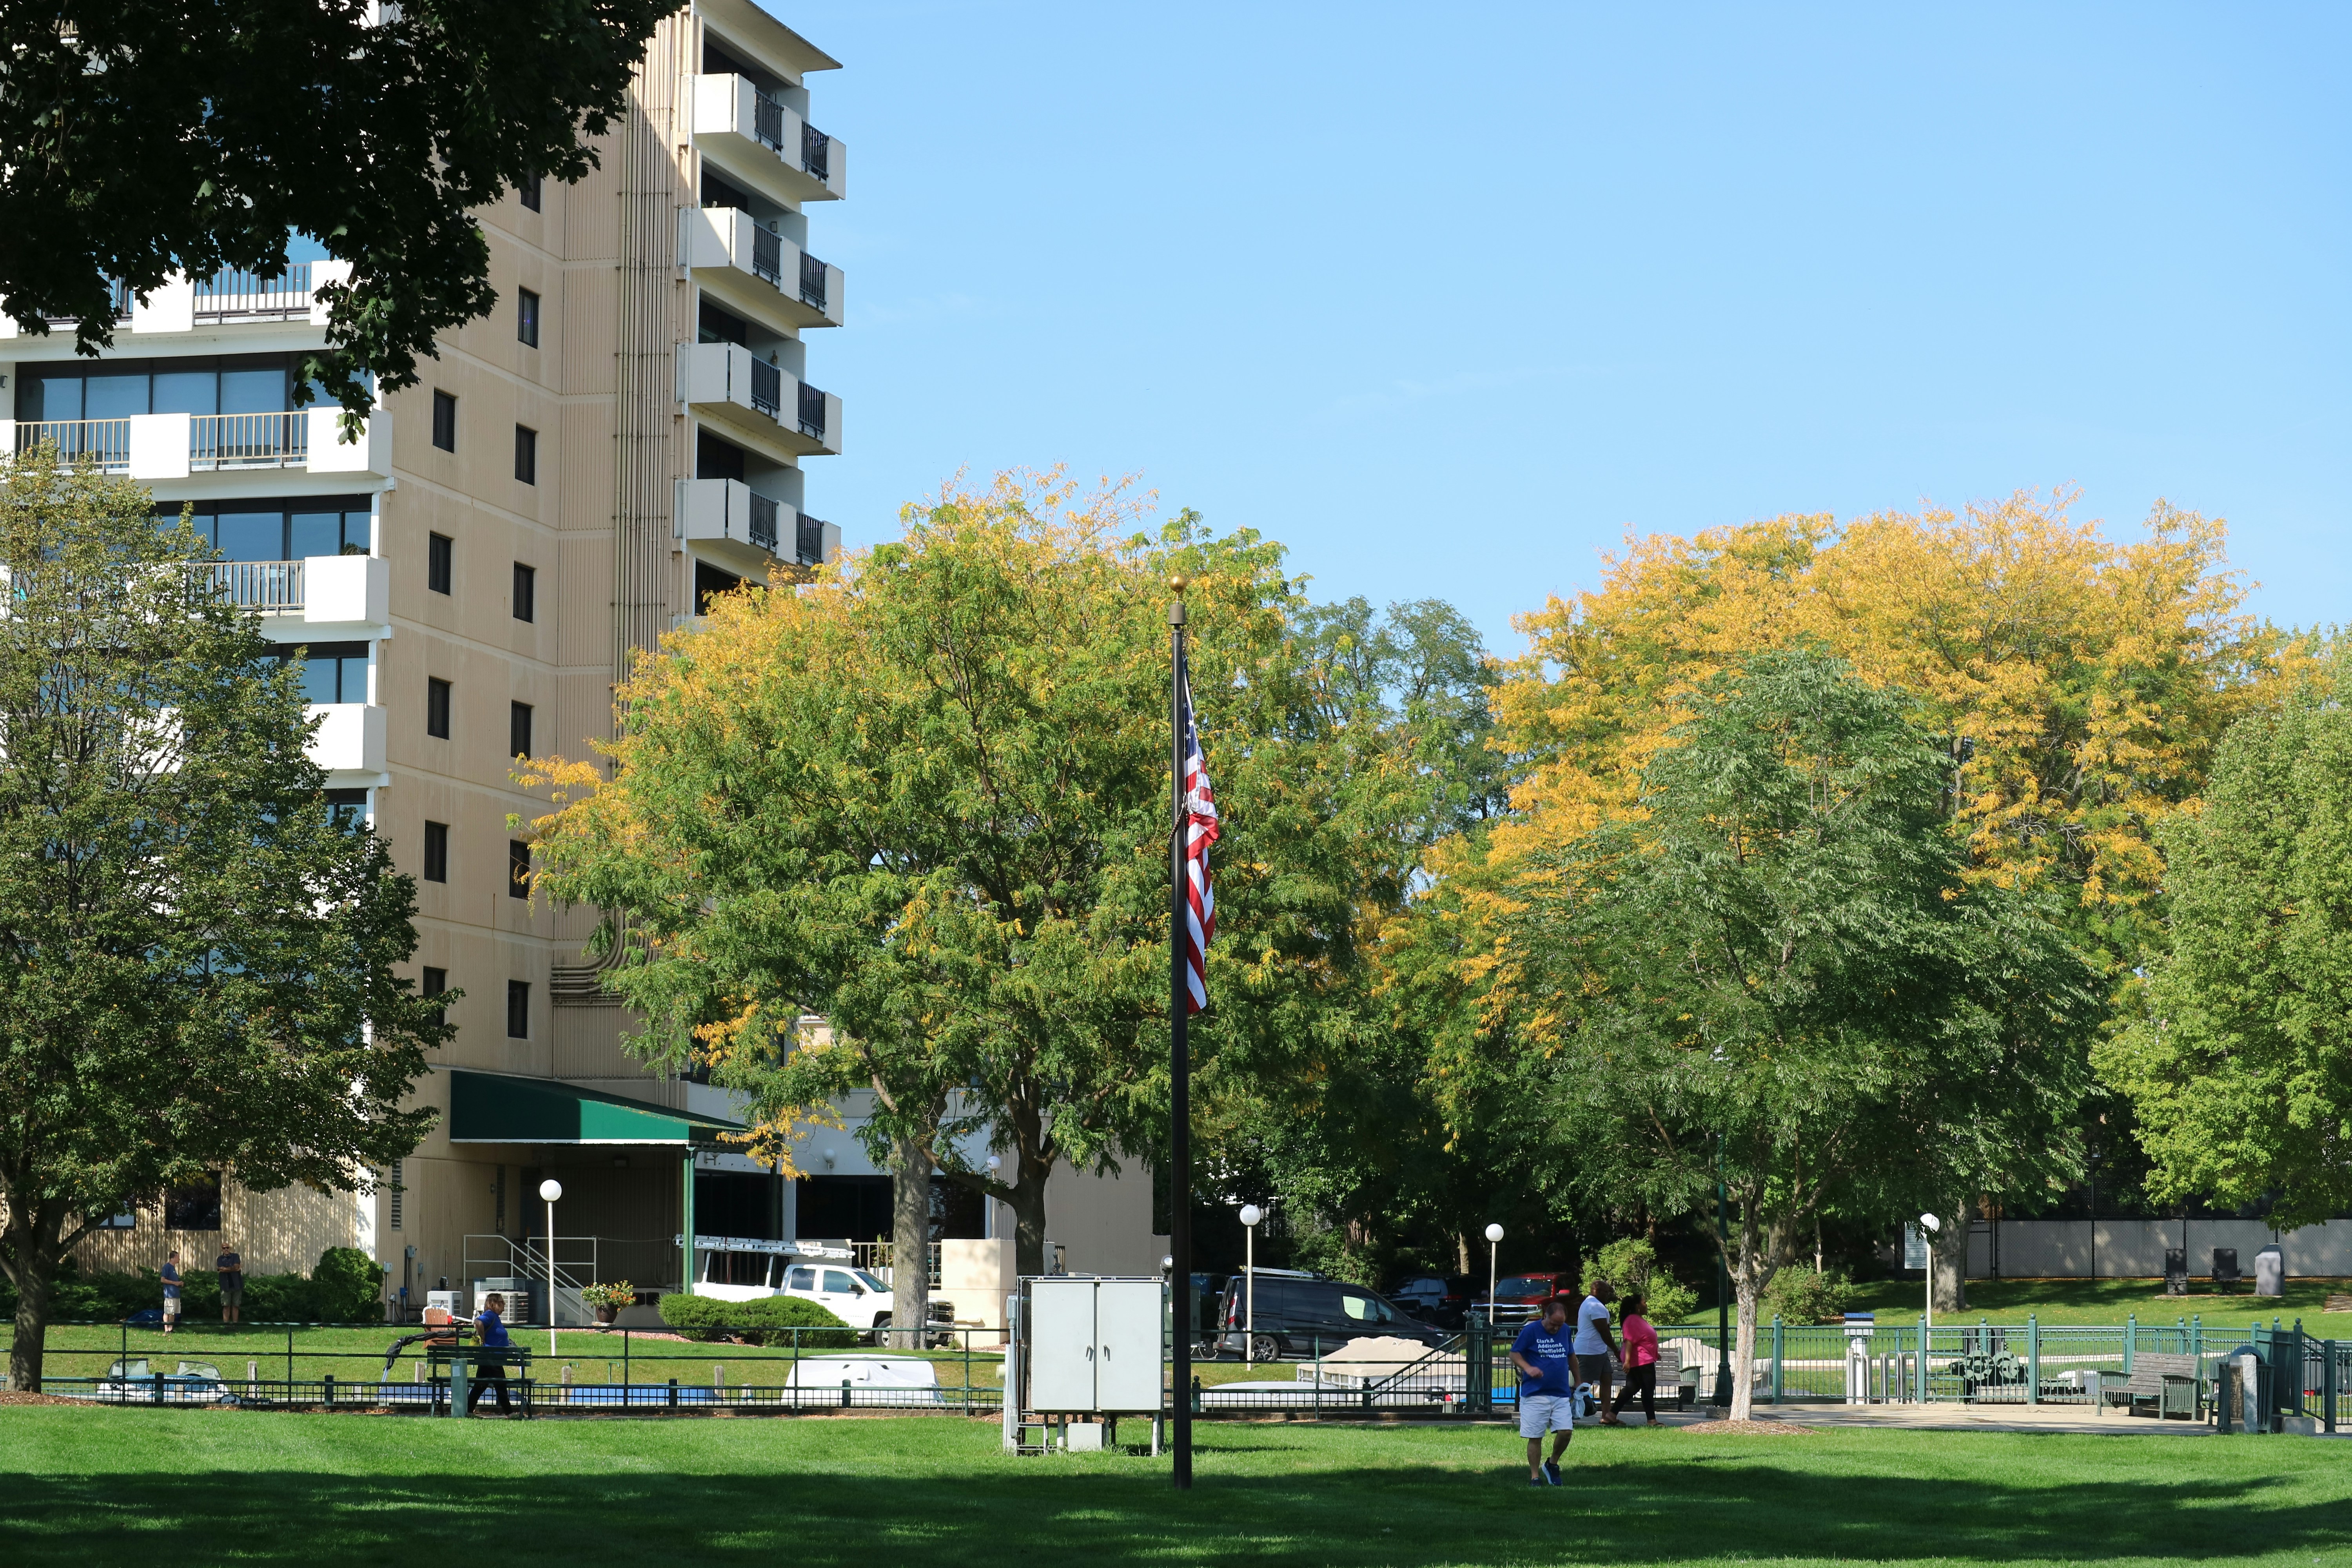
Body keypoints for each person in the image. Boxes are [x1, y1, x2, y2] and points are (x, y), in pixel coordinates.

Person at [1510, 1294, 1578, 1486]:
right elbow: (1514, 1354)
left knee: (1566, 1432)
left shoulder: (1564, 1330)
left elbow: (1571, 1356)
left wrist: (1579, 1382)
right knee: (1535, 1437)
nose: (1556, 1328)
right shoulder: (1531, 1331)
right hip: (1535, 1393)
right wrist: (1529, 1368)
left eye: (1560, 1325)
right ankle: (1535, 1476)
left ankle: (1552, 1464)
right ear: (1544, 1317)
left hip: (1560, 1393)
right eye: (1553, 1324)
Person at [1574, 1277, 1622, 1425]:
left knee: (1607, 1380)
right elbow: (1604, 1331)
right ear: (1598, 1291)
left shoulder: (1590, 1304)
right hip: (1590, 1351)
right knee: (1583, 1385)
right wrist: (1616, 1350)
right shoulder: (1595, 1306)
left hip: (1599, 1351)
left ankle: (1606, 1416)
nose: (1608, 1295)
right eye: (1607, 1292)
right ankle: (1570, 1415)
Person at [1612, 1291, 1661, 1423]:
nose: (1647, 1305)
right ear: (1638, 1306)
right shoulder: (1632, 1320)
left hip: (1643, 1359)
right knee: (1648, 1388)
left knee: (1631, 1388)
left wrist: (1655, 1353)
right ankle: (1652, 1420)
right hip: (1641, 1361)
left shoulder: (1636, 1320)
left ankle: (1611, 1415)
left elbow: (1642, 1340)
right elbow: (1629, 1342)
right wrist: (1627, 1362)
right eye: (1644, 1302)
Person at [468, 1292, 515, 1415]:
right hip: (492, 1357)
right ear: (493, 1305)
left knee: (480, 1386)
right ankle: (509, 1413)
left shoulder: (494, 1317)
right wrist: (483, 1338)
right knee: (500, 1385)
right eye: (501, 1302)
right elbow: (478, 1323)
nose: (504, 1304)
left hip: (492, 1357)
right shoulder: (490, 1315)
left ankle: (468, 1411)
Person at [216, 1241, 244, 1325]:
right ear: (222, 1250)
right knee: (226, 1306)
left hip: (237, 1285)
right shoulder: (220, 1259)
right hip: (225, 1286)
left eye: (227, 1248)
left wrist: (225, 1269)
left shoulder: (236, 1256)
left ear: (230, 1248)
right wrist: (235, 1269)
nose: (226, 1250)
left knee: (236, 1306)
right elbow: (234, 1268)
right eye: (224, 1248)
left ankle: (235, 1325)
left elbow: (236, 1266)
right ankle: (226, 1325)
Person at [160, 1250, 182, 1335]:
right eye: (178, 1257)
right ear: (174, 1257)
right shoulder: (167, 1267)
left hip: (176, 1294)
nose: (179, 1259)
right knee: (168, 1312)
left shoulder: (173, 1268)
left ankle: (171, 1329)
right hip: (169, 1295)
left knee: (173, 1313)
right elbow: (163, 1280)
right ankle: (166, 1329)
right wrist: (175, 1283)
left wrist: (179, 1283)